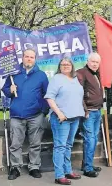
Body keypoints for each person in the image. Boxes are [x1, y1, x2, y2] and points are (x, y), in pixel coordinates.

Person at [3, 49, 49, 180]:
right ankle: (15, 168)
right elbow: (6, 90)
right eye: (27, 56)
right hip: (17, 114)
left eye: (32, 57)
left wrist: (43, 111)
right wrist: (9, 90)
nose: (29, 59)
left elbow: (47, 94)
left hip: (36, 115)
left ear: (35, 59)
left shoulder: (41, 75)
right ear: (22, 57)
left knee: (35, 143)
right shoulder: (13, 74)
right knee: (15, 143)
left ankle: (34, 167)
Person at [45, 57, 84, 185]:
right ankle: (59, 175)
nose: (65, 66)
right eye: (63, 64)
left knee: (68, 145)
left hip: (75, 117)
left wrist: (84, 111)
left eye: (68, 64)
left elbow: (77, 97)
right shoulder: (56, 79)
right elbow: (49, 98)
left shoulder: (75, 79)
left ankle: (68, 171)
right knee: (60, 146)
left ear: (72, 66)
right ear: (59, 67)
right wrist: (60, 113)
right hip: (62, 119)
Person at [77, 53, 103, 177]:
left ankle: (88, 163)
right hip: (89, 112)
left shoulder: (96, 73)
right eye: (92, 61)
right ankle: (88, 168)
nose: (94, 64)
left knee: (94, 139)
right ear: (87, 61)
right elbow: (78, 93)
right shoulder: (81, 72)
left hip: (97, 110)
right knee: (90, 139)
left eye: (97, 62)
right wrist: (85, 110)